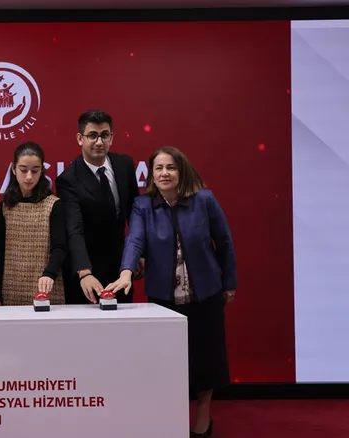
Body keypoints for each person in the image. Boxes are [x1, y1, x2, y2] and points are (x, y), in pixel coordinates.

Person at [105, 146, 237, 437]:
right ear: (151, 174)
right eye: (159, 168)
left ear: (182, 171)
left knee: (206, 361)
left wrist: (229, 282)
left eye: (171, 167)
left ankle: (203, 418)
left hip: (205, 294)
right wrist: (126, 272)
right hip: (164, 300)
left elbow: (224, 241)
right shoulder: (143, 206)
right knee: (167, 363)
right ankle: (171, 418)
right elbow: (134, 240)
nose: (165, 173)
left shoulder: (204, 200)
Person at [56, 110, 141, 305]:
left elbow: (134, 214)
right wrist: (84, 272)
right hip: (87, 270)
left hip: (122, 267)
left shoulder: (124, 165)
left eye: (104, 135)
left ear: (112, 137)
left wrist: (138, 255)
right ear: (80, 138)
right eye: (92, 135)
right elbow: (74, 229)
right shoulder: (68, 180)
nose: (99, 142)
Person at [0, 142, 66, 305]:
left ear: (42, 171)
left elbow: (60, 247)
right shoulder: (4, 207)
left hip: (47, 286)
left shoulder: (54, 205)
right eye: (23, 170)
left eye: (35, 170)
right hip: (10, 287)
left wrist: (49, 274)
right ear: (13, 169)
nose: (29, 177)